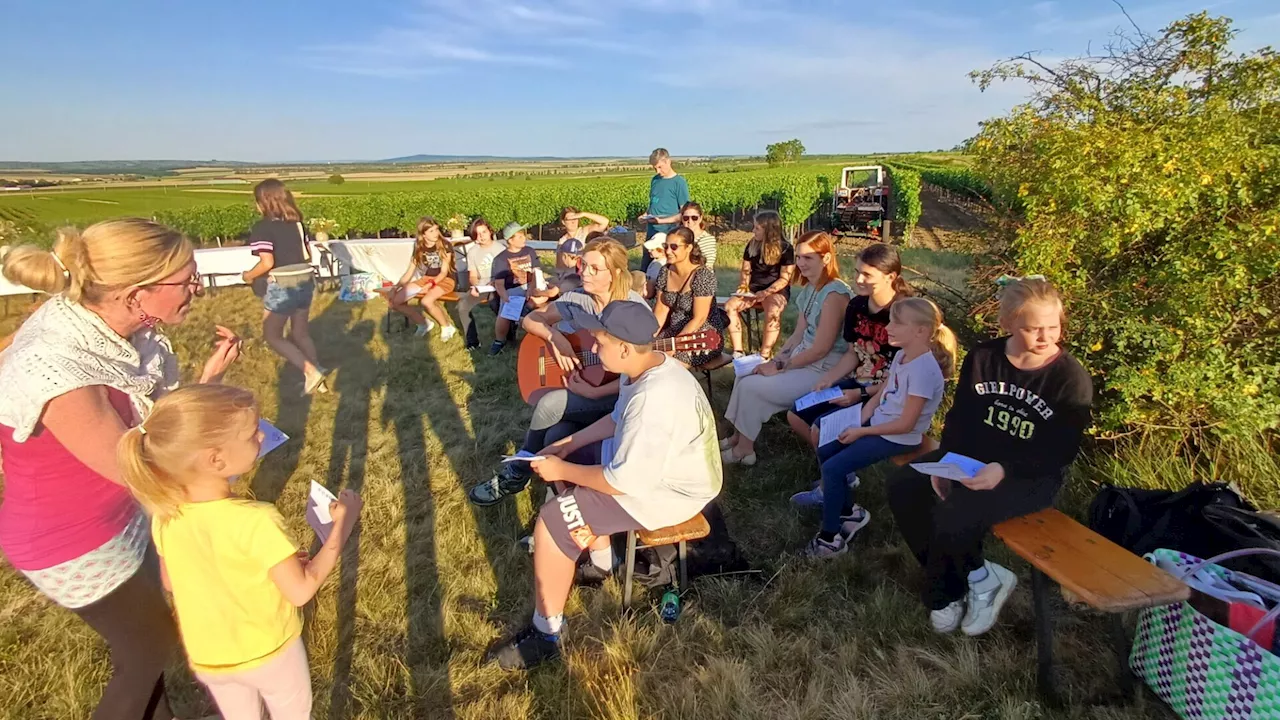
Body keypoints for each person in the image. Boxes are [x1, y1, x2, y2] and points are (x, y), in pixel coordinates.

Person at [0, 218, 241, 720]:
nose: (196, 288)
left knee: (149, 649)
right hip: (72, 542)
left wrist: (206, 381)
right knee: (148, 652)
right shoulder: (60, 368)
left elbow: (143, 424)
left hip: (121, 517)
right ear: (136, 294)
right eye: (186, 279)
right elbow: (139, 465)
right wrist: (222, 463)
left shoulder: (107, 329)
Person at [485, 301, 722, 670]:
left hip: (670, 492)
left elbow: (621, 480)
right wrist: (569, 445)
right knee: (567, 468)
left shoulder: (652, 399)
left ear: (625, 348)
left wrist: (561, 466)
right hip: (651, 471)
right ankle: (600, 561)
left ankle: (546, 633)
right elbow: (617, 418)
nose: (594, 350)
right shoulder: (642, 369)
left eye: (600, 343)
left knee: (552, 519)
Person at [117, 384, 363, 719]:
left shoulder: (165, 516)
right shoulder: (257, 519)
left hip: (210, 658)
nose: (262, 437)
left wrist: (272, 568)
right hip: (270, 653)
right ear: (215, 459)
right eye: (252, 434)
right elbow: (302, 589)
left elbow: (173, 581)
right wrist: (341, 527)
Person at [886, 278, 1092, 636]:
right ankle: (979, 576)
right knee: (904, 487)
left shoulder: (1069, 377)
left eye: (1053, 327)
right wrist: (945, 461)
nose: (1046, 337)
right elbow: (961, 418)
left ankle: (940, 595)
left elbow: (1062, 449)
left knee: (955, 513)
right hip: (969, 460)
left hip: (1028, 476)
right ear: (1009, 323)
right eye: (1033, 328)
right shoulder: (984, 357)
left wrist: (1005, 469)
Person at [467, 238, 650, 507]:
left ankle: (518, 472)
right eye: (582, 265)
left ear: (616, 274)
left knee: (550, 404)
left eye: (593, 269)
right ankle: (564, 506)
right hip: (587, 385)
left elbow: (643, 375)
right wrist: (556, 338)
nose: (584, 273)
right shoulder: (578, 300)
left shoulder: (633, 310)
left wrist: (595, 391)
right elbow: (531, 319)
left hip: (618, 396)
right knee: (556, 434)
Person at [801, 298, 956, 559]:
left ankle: (830, 541)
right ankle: (851, 513)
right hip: (879, 424)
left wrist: (862, 432)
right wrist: (860, 419)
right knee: (827, 449)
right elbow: (883, 391)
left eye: (897, 323)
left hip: (900, 436)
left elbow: (906, 424)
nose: (889, 327)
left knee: (833, 467)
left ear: (920, 331)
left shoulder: (924, 371)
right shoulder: (902, 354)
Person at [720, 231, 850, 466]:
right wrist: (775, 361)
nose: (800, 263)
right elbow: (798, 334)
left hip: (824, 370)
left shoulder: (836, 294)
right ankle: (738, 437)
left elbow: (821, 349)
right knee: (745, 375)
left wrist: (780, 366)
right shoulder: (812, 289)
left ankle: (744, 451)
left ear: (827, 259)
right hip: (804, 360)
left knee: (751, 387)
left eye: (808, 258)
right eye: (799, 257)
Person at [241, 179, 327, 395]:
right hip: (306, 280)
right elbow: (307, 254)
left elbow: (267, 263)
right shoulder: (297, 224)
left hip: (283, 283)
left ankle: (310, 372)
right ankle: (319, 373)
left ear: (264, 202)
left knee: (273, 335)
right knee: (300, 333)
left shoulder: (262, 228)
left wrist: (248, 276)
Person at [723, 210, 795, 359]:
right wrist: (744, 289)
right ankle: (738, 351)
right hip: (754, 288)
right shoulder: (752, 245)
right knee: (730, 306)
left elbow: (784, 278)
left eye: (757, 228)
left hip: (777, 289)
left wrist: (766, 293)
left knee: (773, 311)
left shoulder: (786, 248)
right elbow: (746, 270)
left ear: (769, 231)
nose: (753, 231)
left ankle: (764, 355)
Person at [652, 226, 727, 367]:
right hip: (674, 330)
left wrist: (675, 346)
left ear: (688, 248)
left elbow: (699, 318)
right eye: (665, 246)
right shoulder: (665, 271)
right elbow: (660, 311)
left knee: (667, 366)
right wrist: (649, 338)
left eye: (674, 247)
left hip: (702, 335)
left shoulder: (703, 275)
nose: (668, 251)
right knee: (643, 355)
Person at [385, 216, 459, 341]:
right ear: (423, 234)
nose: (436, 233)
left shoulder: (444, 244)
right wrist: (396, 287)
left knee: (426, 301)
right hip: (427, 278)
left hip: (446, 279)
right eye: (431, 231)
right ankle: (423, 323)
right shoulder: (419, 246)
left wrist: (430, 285)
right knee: (395, 302)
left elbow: (443, 272)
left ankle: (446, 327)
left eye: (436, 229)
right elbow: (409, 271)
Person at [488, 222, 542, 355]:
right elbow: (499, 284)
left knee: (544, 301)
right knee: (505, 313)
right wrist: (505, 299)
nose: (524, 238)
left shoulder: (530, 251)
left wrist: (532, 287)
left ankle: (532, 323)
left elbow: (536, 272)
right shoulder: (501, 259)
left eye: (523, 236)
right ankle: (499, 340)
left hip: (531, 285)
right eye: (519, 237)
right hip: (512, 289)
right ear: (510, 240)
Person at [638, 148, 690, 273]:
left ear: (668, 162)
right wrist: (645, 215)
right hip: (651, 232)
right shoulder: (655, 180)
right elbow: (653, 203)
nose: (658, 171)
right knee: (646, 267)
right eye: (654, 168)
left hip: (668, 233)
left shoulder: (679, 183)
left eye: (660, 167)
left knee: (665, 269)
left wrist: (661, 221)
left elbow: (684, 213)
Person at [459, 217, 506, 350]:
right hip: (482, 286)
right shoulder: (473, 252)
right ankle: (472, 342)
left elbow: (506, 272)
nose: (481, 236)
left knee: (495, 302)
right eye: (478, 234)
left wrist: (496, 283)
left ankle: (506, 334)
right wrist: (474, 286)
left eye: (484, 232)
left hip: (499, 284)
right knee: (463, 306)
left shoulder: (500, 249)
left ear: (490, 231)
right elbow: (473, 275)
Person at [555, 208, 609, 272]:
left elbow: (605, 222)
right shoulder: (562, 241)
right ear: (563, 222)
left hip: (587, 271)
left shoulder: (584, 231)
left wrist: (584, 214)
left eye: (575, 218)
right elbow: (559, 267)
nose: (573, 222)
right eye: (569, 219)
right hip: (570, 275)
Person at [679, 201, 717, 268]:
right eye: (686, 218)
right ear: (682, 219)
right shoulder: (677, 238)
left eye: (694, 218)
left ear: (700, 218)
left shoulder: (707, 239)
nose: (690, 221)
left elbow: (707, 265)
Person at [642, 233, 667, 300]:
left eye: (652, 249)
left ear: (662, 250)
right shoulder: (656, 261)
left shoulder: (657, 266)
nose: (649, 250)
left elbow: (649, 291)